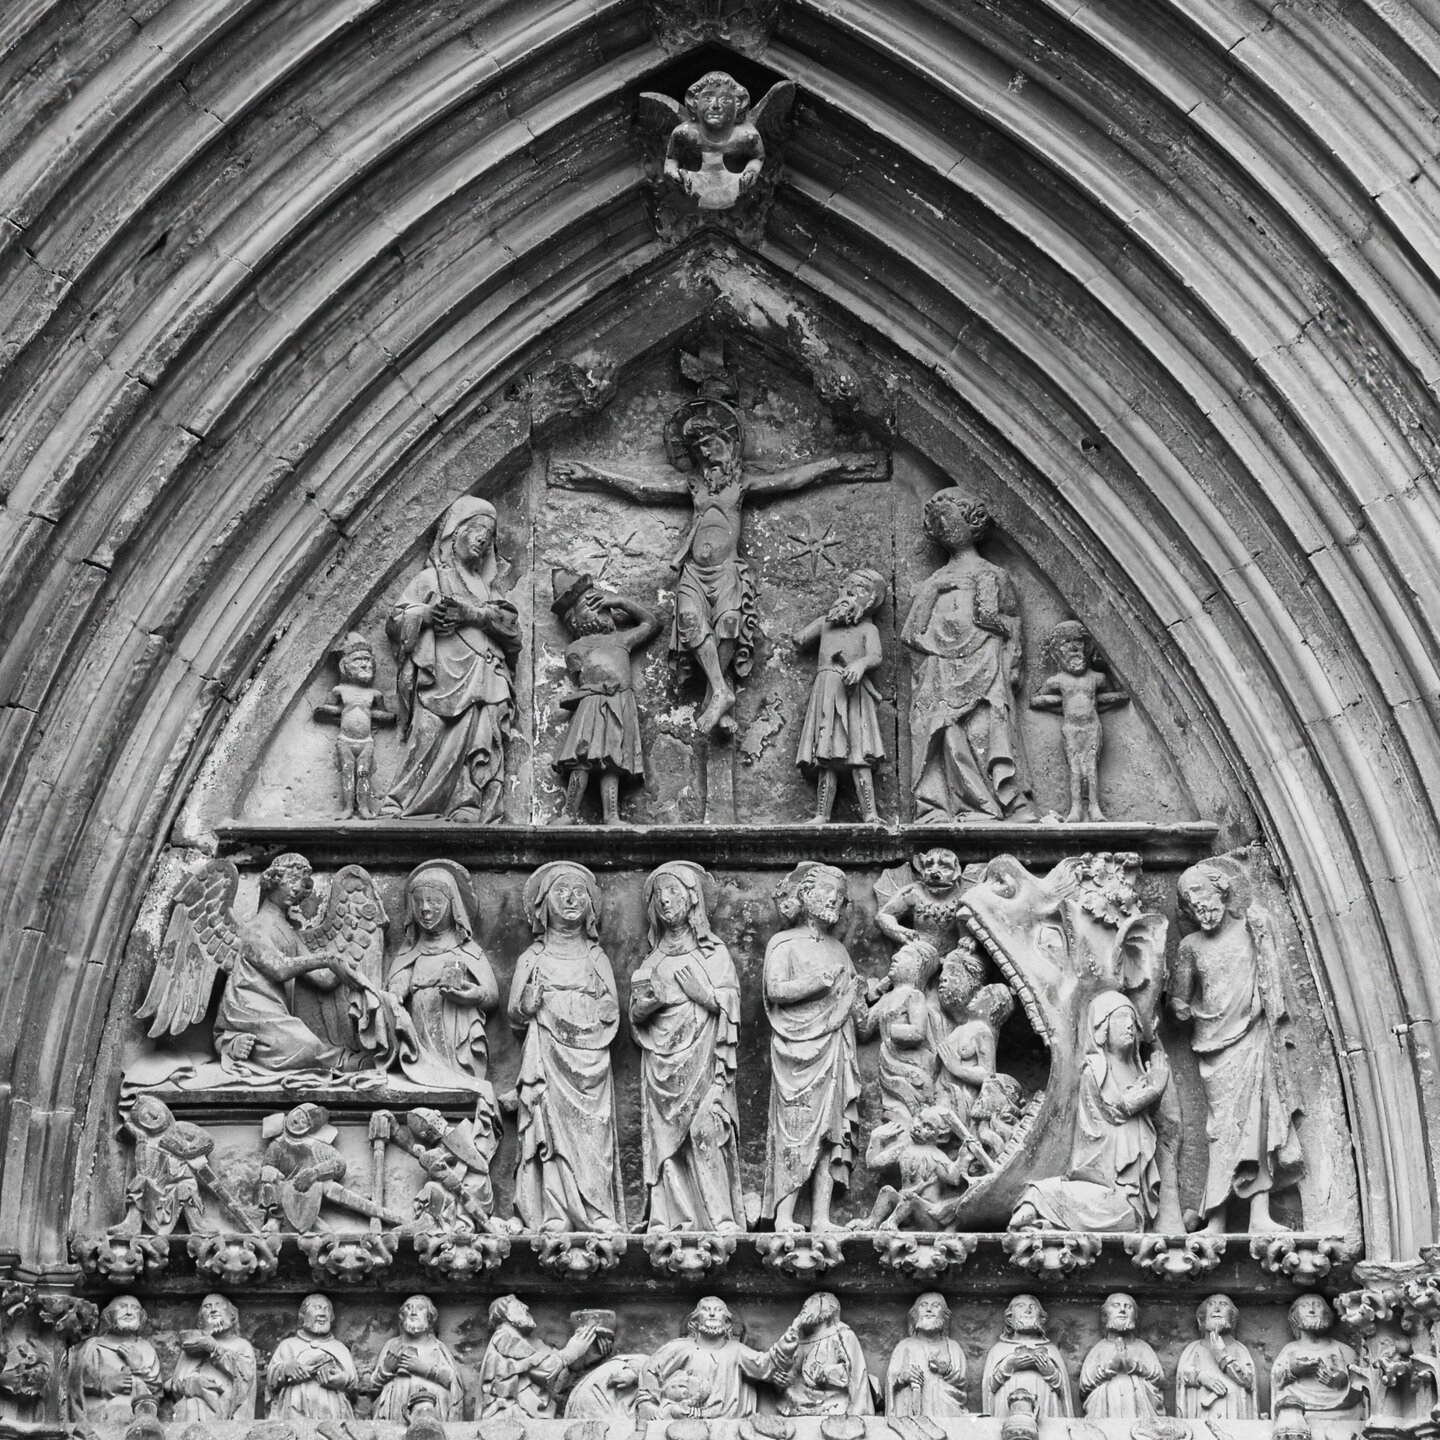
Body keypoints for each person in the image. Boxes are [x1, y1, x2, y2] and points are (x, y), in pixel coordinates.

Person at [551, 403, 883, 734]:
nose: (706, 454)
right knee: (689, 621)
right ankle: (721, 691)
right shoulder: (694, 486)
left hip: (727, 572)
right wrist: (593, 475)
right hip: (694, 572)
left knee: (728, 626)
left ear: (728, 442)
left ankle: (717, 695)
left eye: (710, 444)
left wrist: (838, 465)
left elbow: (791, 479)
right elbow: (643, 490)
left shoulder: (741, 485)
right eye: (698, 450)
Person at [1171, 860, 1302, 1233]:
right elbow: (1178, 998)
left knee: (1260, 1125)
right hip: (1213, 1046)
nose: (1198, 906)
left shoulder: (1252, 930)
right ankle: (1216, 1218)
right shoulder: (1190, 947)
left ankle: (1259, 1215)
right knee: (1221, 1130)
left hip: (1254, 1036)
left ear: (1222, 890)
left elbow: (1272, 980)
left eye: (1202, 894)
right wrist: (1178, 1007)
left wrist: (1263, 937)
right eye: (1190, 903)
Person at [382, 495, 520, 822]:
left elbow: (512, 631)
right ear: (455, 533)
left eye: (489, 534)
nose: (483, 538)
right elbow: (396, 620)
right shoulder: (431, 580)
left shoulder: (488, 590)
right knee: (427, 734)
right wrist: (427, 615)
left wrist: (473, 614)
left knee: (480, 741)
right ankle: (400, 802)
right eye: (476, 529)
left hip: (485, 675)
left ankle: (467, 803)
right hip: (441, 676)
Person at [902, 489, 1035, 822]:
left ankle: (1001, 801)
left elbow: (1011, 623)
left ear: (972, 521)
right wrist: (934, 594)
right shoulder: (934, 582)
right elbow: (911, 634)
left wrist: (992, 624)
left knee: (983, 731)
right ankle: (940, 805)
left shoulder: (993, 575)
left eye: (949, 517)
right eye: (936, 521)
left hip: (985, 665)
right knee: (943, 732)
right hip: (939, 671)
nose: (942, 525)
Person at [508, 862, 624, 1231]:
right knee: (548, 1130)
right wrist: (527, 1005)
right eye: (561, 892)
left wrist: (606, 1009)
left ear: (591, 906)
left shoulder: (596, 957)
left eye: (578, 893)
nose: (570, 899)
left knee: (593, 1133)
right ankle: (555, 1212)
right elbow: (515, 1013)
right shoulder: (532, 958)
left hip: (590, 1057)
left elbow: (611, 1008)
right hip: (546, 1054)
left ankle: (598, 1210)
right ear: (544, 904)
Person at [630, 861, 744, 1232]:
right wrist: (645, 1008)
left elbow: (731, 1003)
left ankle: (720, 1218)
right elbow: (635, 1018)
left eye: (673, 891)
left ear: (692, 899)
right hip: (661, 1066)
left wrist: (704, 994)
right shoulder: (653, 960)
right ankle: (670, 1218)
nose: (665, 900)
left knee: (706, 1130)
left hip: (705, 1060)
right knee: (666, 1144)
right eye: (659, 894)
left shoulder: (713, 953)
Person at [1010, 991, 1169, 1233]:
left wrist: (1153, 1090)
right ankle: (1037, 1209)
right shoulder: (1094, 1069)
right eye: (1121, 1018)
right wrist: (1154, 1090)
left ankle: (1049, 1224)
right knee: (1046, 1193)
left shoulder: (1137, 1072)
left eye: (1133, 1020)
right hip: (1100, 1179)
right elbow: (1116, 1109)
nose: (1129, 1025)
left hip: (1127, 1191)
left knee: (1129, 1214)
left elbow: (1144, 1122)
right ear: (1102, 1028)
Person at [762, 862, 863, 1232]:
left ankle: (821, 1217)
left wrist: (863, 994)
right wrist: (818, 982)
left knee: (831, 1132)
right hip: (796, 1049)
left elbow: (853, 1003)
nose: (834, 900)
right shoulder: (784, 943)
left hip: (834, 1045)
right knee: (796, 1127)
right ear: (805, 894)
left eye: (840, 895)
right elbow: (775, 990)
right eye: (827, 891)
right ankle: (784, 1217)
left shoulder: (839, 949)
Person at [385, 862, 501, 1120]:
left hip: (455, 1028)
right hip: (420, 1032)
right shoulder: (409, 952)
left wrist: (470, 995)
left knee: (456, 1083)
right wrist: (396, 992)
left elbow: (491, 996)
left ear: (452, 905)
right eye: (419, 902)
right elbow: (398, 979)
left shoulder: (468, 951)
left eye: (434, 902)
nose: (426, 909)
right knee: (423, 1080)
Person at [549, 569, 661, 826]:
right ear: (574, 621)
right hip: (591, 704)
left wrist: (620, 601)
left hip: (619, 703)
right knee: (581, 759)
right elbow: (580, 673)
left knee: (612, 760)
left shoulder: (621, 639)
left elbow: (652, 624)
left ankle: (612, 816)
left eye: (600, 601)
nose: (600, 607)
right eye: (589, 605)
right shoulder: (576, 649)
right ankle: (569, 813)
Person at [792, 567, 888, 824]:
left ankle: (870, 813)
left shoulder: (868, 630)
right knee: (826, 755)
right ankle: (822, 814)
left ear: (870, 602)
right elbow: (800, 639)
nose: (850, 593)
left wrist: (860, 664)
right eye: (847, 586)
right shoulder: (825, 623)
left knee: (860, 753)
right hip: (826, 692)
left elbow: (876, 656)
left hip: (853, 693)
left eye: (860, 590)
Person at [1029, 621, 1127, 822]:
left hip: (1092, 727)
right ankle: (1075, 808)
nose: (1073, 647)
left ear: (1086, 647)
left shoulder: (1097, 678)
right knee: (1075, 768)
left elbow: (1117, 696)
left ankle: (1094, 807)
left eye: (1078, 641)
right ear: (1057, 651)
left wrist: (1095, 703)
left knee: (1090, 768)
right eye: (1066, 643)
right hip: (1071, 729)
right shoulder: (1057, 681)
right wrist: (1062, 705)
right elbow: (1036, 701)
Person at [639, 1296, 798, 1419]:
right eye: (706, 1310)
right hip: (687, 1419)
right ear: (695, 1322)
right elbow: (651, 1370)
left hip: (729, 1422)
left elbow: (764, 1366)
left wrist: (786, 1345)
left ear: (728, 1323)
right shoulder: (681, 1347)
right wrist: (647, 1403)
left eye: (718, 1310)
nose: (712, 1313)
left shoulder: (736, 1350)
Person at [854, 942, 940, 1122]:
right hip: (888, 1064)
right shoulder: (886, 998)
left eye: (905, 955)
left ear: (917, 966)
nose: (895, 957)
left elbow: (918, 1032)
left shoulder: (914, 995)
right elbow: (864, 1029)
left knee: (910, 1110)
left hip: (911, 1063)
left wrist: (891, 1031)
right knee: (891, 1111)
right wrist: (857, 997)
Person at [478, 1296, 603, 1418]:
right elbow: (543, 1370)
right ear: (509, 1315)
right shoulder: (505, 1337)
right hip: (511, 1416)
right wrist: (570, 1353)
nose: (526, 1307)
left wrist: (587, 1353)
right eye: (519, 1306)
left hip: (529, 1413)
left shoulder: (527, 1341)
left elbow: (555, 1381)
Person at [312, 632, 394, 819]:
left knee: (364, 773)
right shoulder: (339, 691)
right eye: (358, 660)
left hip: (366, 741)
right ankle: (348, 808)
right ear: (345, 666)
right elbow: (326, 710)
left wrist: (375, 714)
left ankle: (363, 807)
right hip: (345, 740)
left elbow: (383, 715)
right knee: (347, 772)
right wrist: (341, 711)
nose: (365, 664)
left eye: (367, 660)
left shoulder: (375, 694)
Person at [776, 1293, 875, 1418]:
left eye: (812, 1302)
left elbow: (855, 1373)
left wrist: (825, 1372)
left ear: (827, 1308)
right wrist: (782, 1380)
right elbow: (793, 1373)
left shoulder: (842, 1335)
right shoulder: (801, 1341)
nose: (805, 1307)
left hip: (834, 1402)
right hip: (803, 1401)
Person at [370, 1295, 465, 1423]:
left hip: (433, 1409)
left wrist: (424, 1370)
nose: (413, 1312)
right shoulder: (392, 1345)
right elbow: (373, 1386)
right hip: (397, 1404)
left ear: (430, 1317)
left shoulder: (438, 1347)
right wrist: (386, 1369)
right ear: (402, 1316)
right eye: (408, 1308)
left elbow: (454, 1384)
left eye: (420, 1308)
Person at [69, 1296, 161, 1426]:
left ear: (141, 1316)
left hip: (141, 1413)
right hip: (103, 1414)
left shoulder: (146, 1348)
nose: (129, 1312)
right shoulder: (93, 1347)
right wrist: (106, 1384)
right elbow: (75, 1383)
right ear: (109, 1315)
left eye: (135, 1308)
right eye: (122, 1307)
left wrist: (138, 1368)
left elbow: (157, 1389)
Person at [981, 1294, 1073, 1422]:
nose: (1027, 1311)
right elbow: (990, 1387)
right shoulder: (998, 1350)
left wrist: (1050, 1372)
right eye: (1020, 1306)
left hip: (1045, 1407)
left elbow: (1063, 1391)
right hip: (1006, 1407)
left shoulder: (1051, 1350)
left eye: (1033, 1307)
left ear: (1041, 1317)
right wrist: (1009, 1365)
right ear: (1009, 1318)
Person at [265, 1295, 358, 1421]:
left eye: (327, 1309)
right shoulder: (288, 1345)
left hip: (331, 1408)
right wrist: (286, 1370)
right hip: (294, 1407)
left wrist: (341, 1379)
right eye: (317, 1308)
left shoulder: (340, 1348)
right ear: (302, 1315)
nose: (323, 1314)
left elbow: (353, 1383)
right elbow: (271, 1379)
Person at [1271, 1295, 1360, 1420]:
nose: (1311, 1310)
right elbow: (1276, 1380)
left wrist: (1341, 1380)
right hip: (1296, 1413)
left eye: (1317, 1305)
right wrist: (1293, 1371)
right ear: (1294, 1316)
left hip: (1340, 1411)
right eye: (1304, 1306)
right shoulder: (1290, 1351)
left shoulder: (1343, 1350)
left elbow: (1359, 1383)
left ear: (1327, 1313)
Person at [169, 1294, 256, 1422]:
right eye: (207, 1307)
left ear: (232, 1315)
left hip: (228, 1411)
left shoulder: (241, 1345)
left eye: (219, 1305)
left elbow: (246, 1375)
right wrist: (196, 1384)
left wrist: (214, 1348)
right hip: (196, 1409)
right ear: (200, 1320)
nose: (213, 1310)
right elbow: (177, 1385)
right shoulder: (193, 1347)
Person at [1078, 1294, 1164, 1419]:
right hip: (1105, 1409)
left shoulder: (1142, 1348)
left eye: (1128, 1307)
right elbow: (1085, 1384)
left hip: (1141, 1410)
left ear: (1136, 1316)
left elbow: (1158, 1377)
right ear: (1105, 1315)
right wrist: (1112, 1365)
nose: (1122, 1310)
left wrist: (1133, 1365)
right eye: (1115, 1306)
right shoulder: (1100, 1348)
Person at [887, 1292, 968, 1420]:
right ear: (915, 1315)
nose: (929, 1309)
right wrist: (904, 1375)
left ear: (944, 1316)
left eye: (935, 1306)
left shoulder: (953, 1347)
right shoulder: (904, 1346)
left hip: (946, 1411)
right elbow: (891, 1379)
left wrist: (944, 1368)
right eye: (923, 1305)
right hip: (911, 1412)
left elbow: (961, 1379)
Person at [1177, 1295, 1257, 1420]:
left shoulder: (1239, 1349)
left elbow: (1248, 1381)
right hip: (1201, 1414)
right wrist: (1201, 1377)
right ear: (1202, 1318)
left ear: (1232, 1318)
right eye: (1211, 1304)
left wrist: (1223, 1357)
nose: (1217, 1309)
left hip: (1233, 1414)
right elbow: (1182, 1373)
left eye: (1223, 1304)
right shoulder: (1194, 1348)